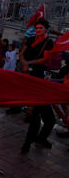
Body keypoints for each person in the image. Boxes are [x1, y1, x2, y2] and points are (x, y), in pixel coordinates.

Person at [19, 19, 56, 153]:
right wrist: (24, 63)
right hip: (29, 78)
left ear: (46, 29)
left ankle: (32, 142)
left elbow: (44, 59)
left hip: (39, 79)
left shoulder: (48, 42)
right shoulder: (31, 39)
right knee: (40, 116)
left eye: (40, 28)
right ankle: (30, 143)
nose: (38, 30)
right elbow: (22, 52)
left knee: (43, 117)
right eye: (36, 28)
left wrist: (29, 63)